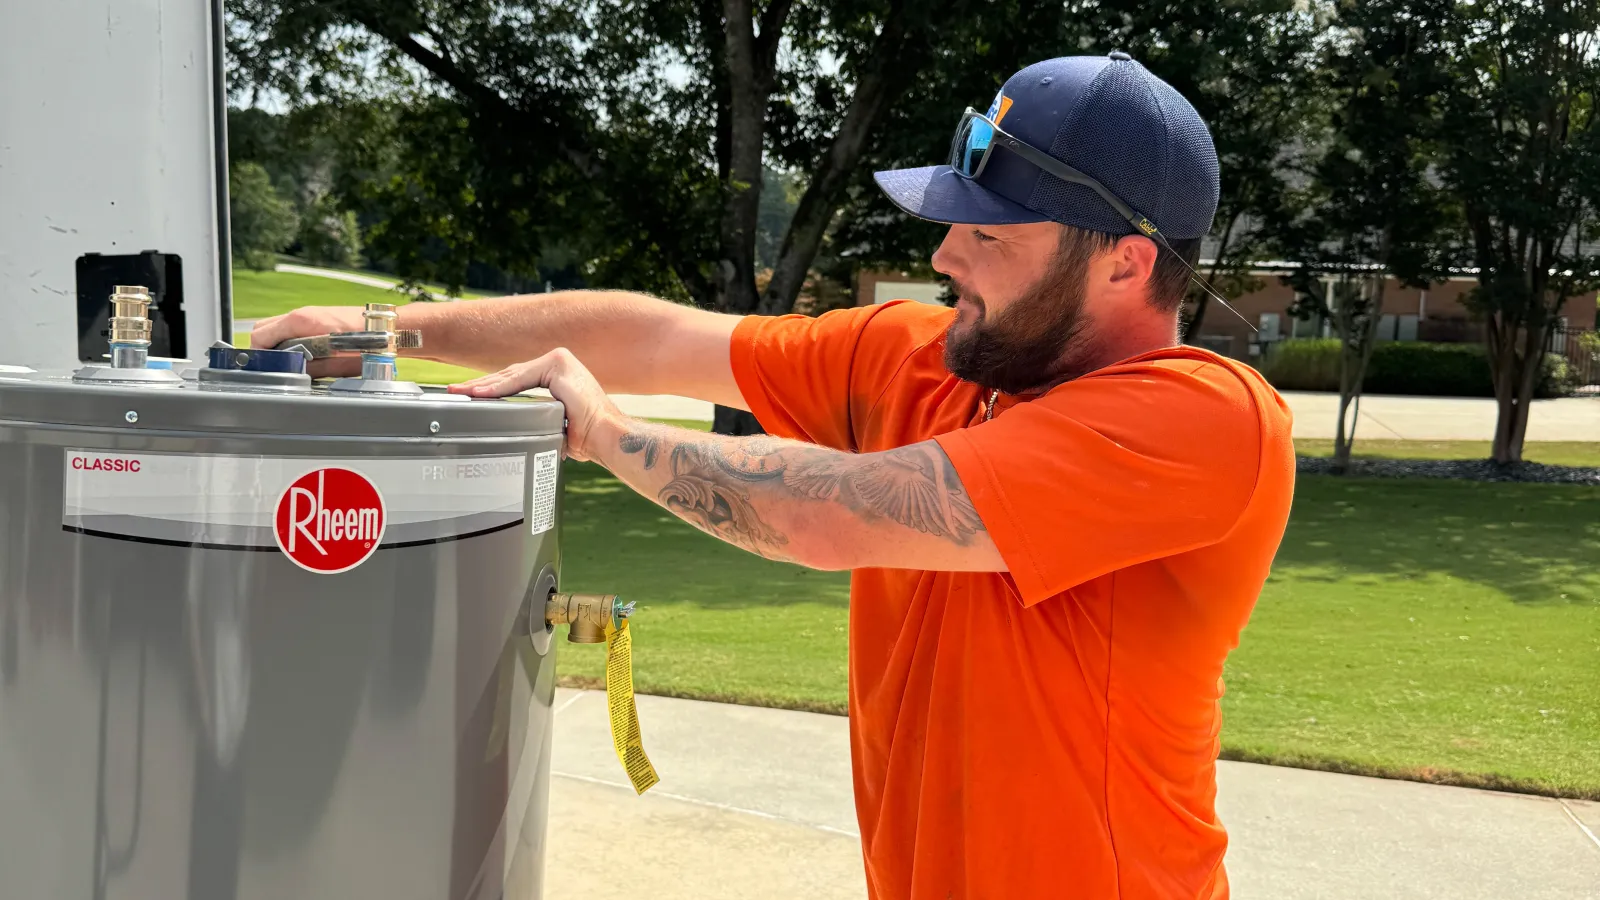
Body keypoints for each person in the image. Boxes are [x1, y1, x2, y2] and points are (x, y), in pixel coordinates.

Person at [254, 52, 1295, 900]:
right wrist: (380, 328)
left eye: (986, 232)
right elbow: (657, 337)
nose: (944, 257)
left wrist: (609, 434)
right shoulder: (924, 361)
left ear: (1123, 260)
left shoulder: (1205, 420)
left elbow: (830, 518)